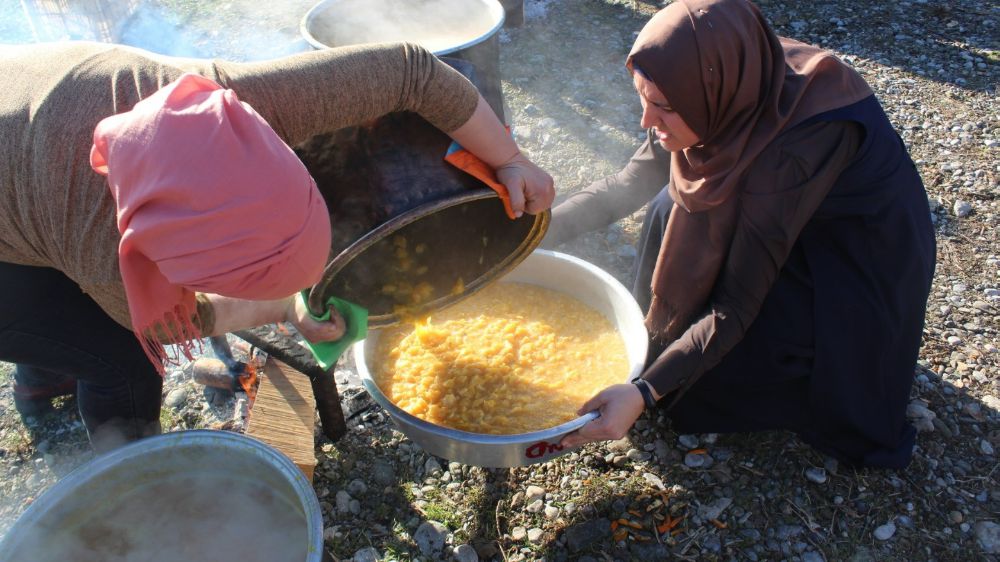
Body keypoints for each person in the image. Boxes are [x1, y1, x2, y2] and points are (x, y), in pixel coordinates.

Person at [0, 41, 554, 452]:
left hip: (24, 102)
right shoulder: (105, 253)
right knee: (119, 359)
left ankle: (45, 369)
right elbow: (178, 322)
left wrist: (510, 158)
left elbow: (410, 69)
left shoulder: (235, 106)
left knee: (63, 314)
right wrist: (288, 308)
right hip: (27, 200)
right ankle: (132, 485)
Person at [554, 0, 935, 468]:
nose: (646, 122)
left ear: (707, 95)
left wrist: (646, 390)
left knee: (708, 384)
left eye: (664, 108)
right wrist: (531, 235)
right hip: (780, 214)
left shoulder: (794, 150)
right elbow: (628, 183)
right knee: (667, 203)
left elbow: (735, 306)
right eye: (642, 97)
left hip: (846, 261)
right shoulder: (714, 79)